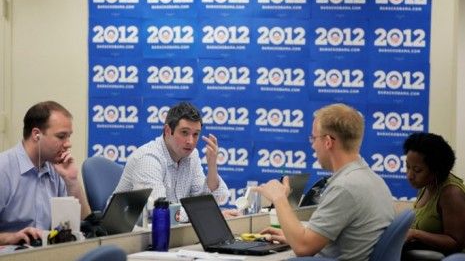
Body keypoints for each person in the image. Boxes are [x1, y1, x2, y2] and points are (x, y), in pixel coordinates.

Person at [253, 103, 395, 260]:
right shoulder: (373, 180)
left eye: (314, 138)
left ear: (328, 141)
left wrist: (279, 198)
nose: (313, 145)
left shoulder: (345, 187)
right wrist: (293, 237)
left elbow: (303, 248)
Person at [114, 101, 237, 217]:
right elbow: (160, 210)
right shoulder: (148, 159)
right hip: (124, 234)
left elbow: (209, 199)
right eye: (184, 132)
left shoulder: (192, 155)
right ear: (168, 131)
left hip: (168, 232)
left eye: (195, 134)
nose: (190, 141)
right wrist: (209, 214)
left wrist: (212, 166)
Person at [0, 101, 91, 244]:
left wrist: (72, 181)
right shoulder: (4, 169)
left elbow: (87, 226)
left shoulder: (57, 168)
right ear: (36, 135)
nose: (68, 144)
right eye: (61, 136)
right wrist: (11, 238)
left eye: (69, 136)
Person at [402, 133, 465, 257]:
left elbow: (456, 243)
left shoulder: (452, 194)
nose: (409, 175)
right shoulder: (426, 184)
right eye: (407, 167)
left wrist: (416, 234)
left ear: (436, 170)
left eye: (417, 170)